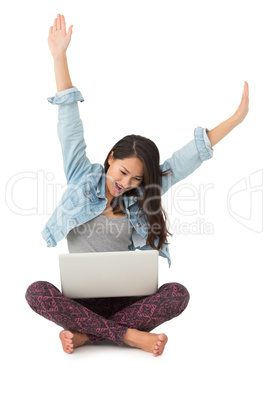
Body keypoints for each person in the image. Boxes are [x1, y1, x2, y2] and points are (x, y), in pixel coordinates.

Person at [25, 14, 249, 357]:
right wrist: (59, 57)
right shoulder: (81, 176)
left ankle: (88, 334)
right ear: (111, 157)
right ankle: (129, 335)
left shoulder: (141, 197)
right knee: (37, 292)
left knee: (177, 292)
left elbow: (184, 161)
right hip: (81, 300)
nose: (126, 183)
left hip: (123, 299)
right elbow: (70, 125)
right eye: (123, 172)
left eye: (136, 179)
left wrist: (232, 122)